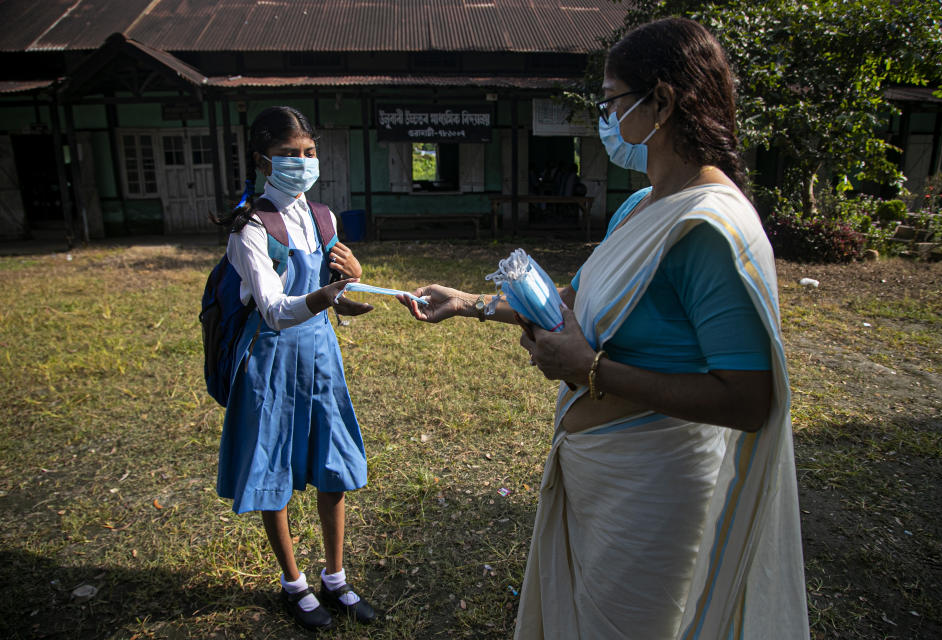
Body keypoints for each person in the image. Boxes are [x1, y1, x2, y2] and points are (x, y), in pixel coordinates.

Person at [399, 18, 808, 640]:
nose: (607, 117)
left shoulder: (707, 228)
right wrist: (466, 302)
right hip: (599, 470)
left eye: (613, 101)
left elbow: (748, 400)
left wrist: (588, 370)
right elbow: (573, 298)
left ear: (662, 102)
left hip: (657, 487)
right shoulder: (641, 205)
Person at [211, 106, 378, 631]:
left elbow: (339, 299)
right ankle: (294, 584)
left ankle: (335, 576)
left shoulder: (323, 217)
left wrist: (354, 280)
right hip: (270, 362)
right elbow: (275, 309)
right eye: (288, 154)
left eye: (309, 152)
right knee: (274, 470)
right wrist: (328, 295)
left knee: (333, 467)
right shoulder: (250, 229)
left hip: (322, 358)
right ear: (263, 160)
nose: (302, 163)